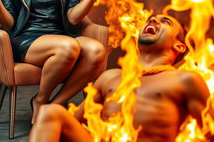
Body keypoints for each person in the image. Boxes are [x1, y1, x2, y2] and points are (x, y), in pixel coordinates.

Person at [28, 14, 213, 142]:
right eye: (151, 20)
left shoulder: (185, 80)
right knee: (50, 112)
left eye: (164, 22)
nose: (154, 21)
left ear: (179, 46)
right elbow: (74, 124)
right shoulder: (110, 77)